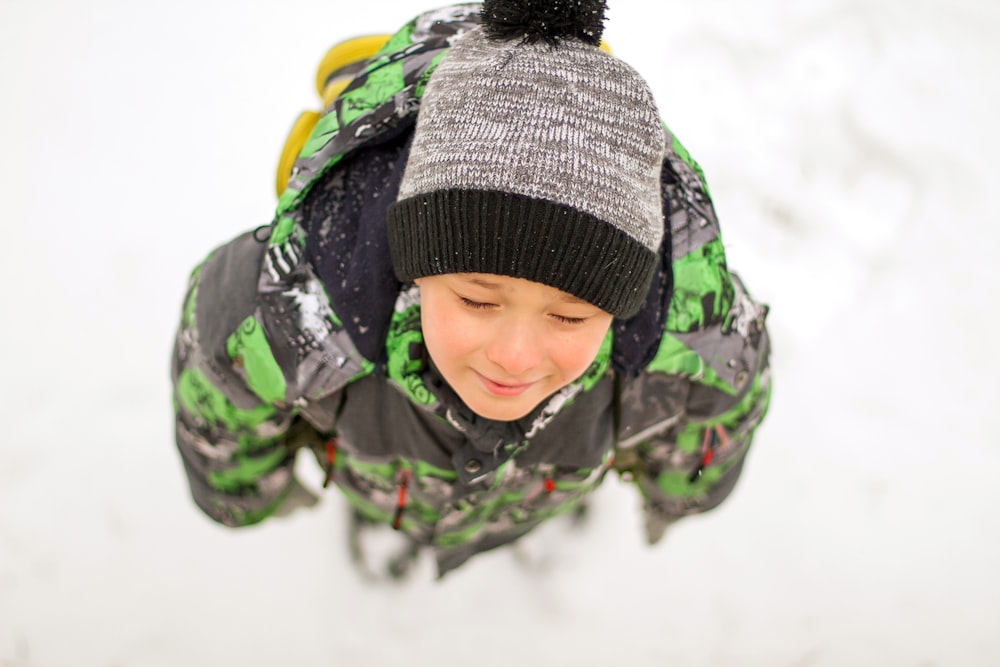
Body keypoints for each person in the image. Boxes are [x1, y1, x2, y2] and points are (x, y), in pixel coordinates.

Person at [171, 0, 772, 579]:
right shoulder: (285, 322)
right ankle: (388, 526)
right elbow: (218, 395)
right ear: (414, 265)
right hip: (386, 485)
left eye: (569, 317)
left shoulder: (696, 349)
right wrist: (245, 493)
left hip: (538, 488)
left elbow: (718, 421)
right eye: (477, 301)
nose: (514, 355)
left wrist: (679, 492)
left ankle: (520, 521)